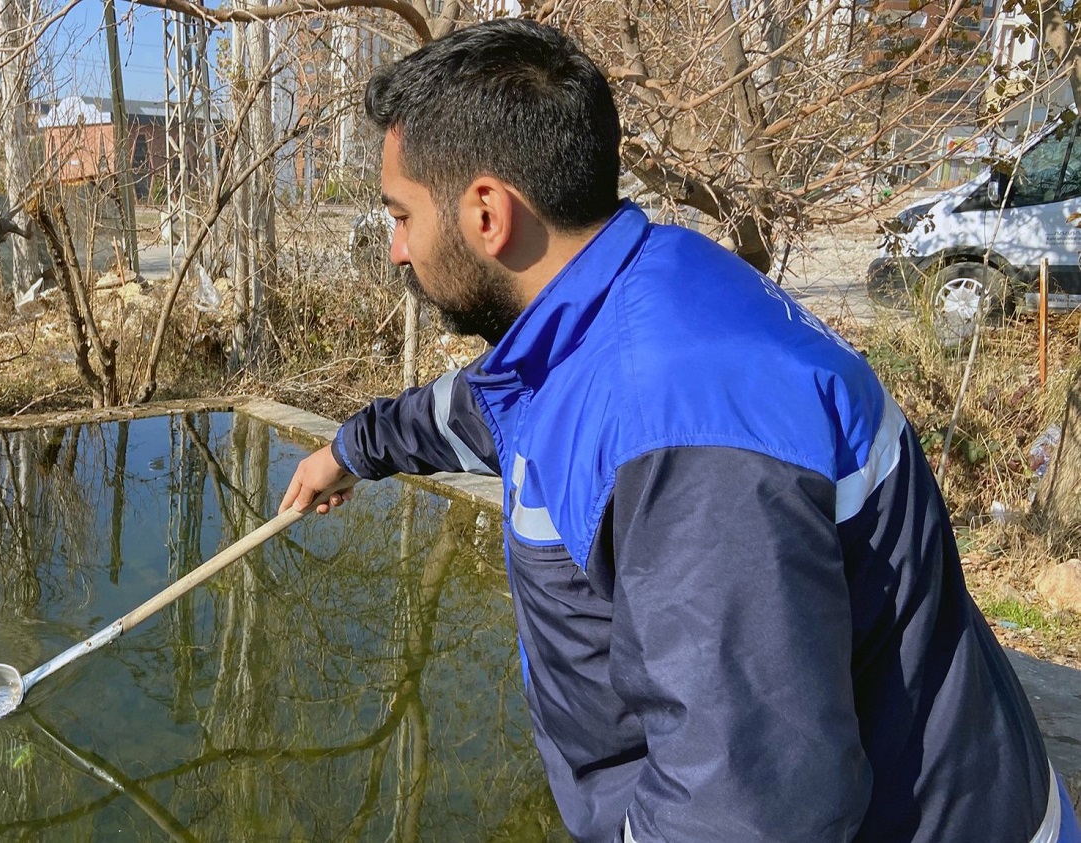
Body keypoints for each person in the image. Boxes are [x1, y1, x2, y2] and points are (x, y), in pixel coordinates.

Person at [277, 18, 1080, 843]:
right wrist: (349, 450)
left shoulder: (682, 431)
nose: (397, 250)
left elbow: (744, 810)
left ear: (487, 212)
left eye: (401, 215)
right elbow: (489, 409)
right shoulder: (613, 307)